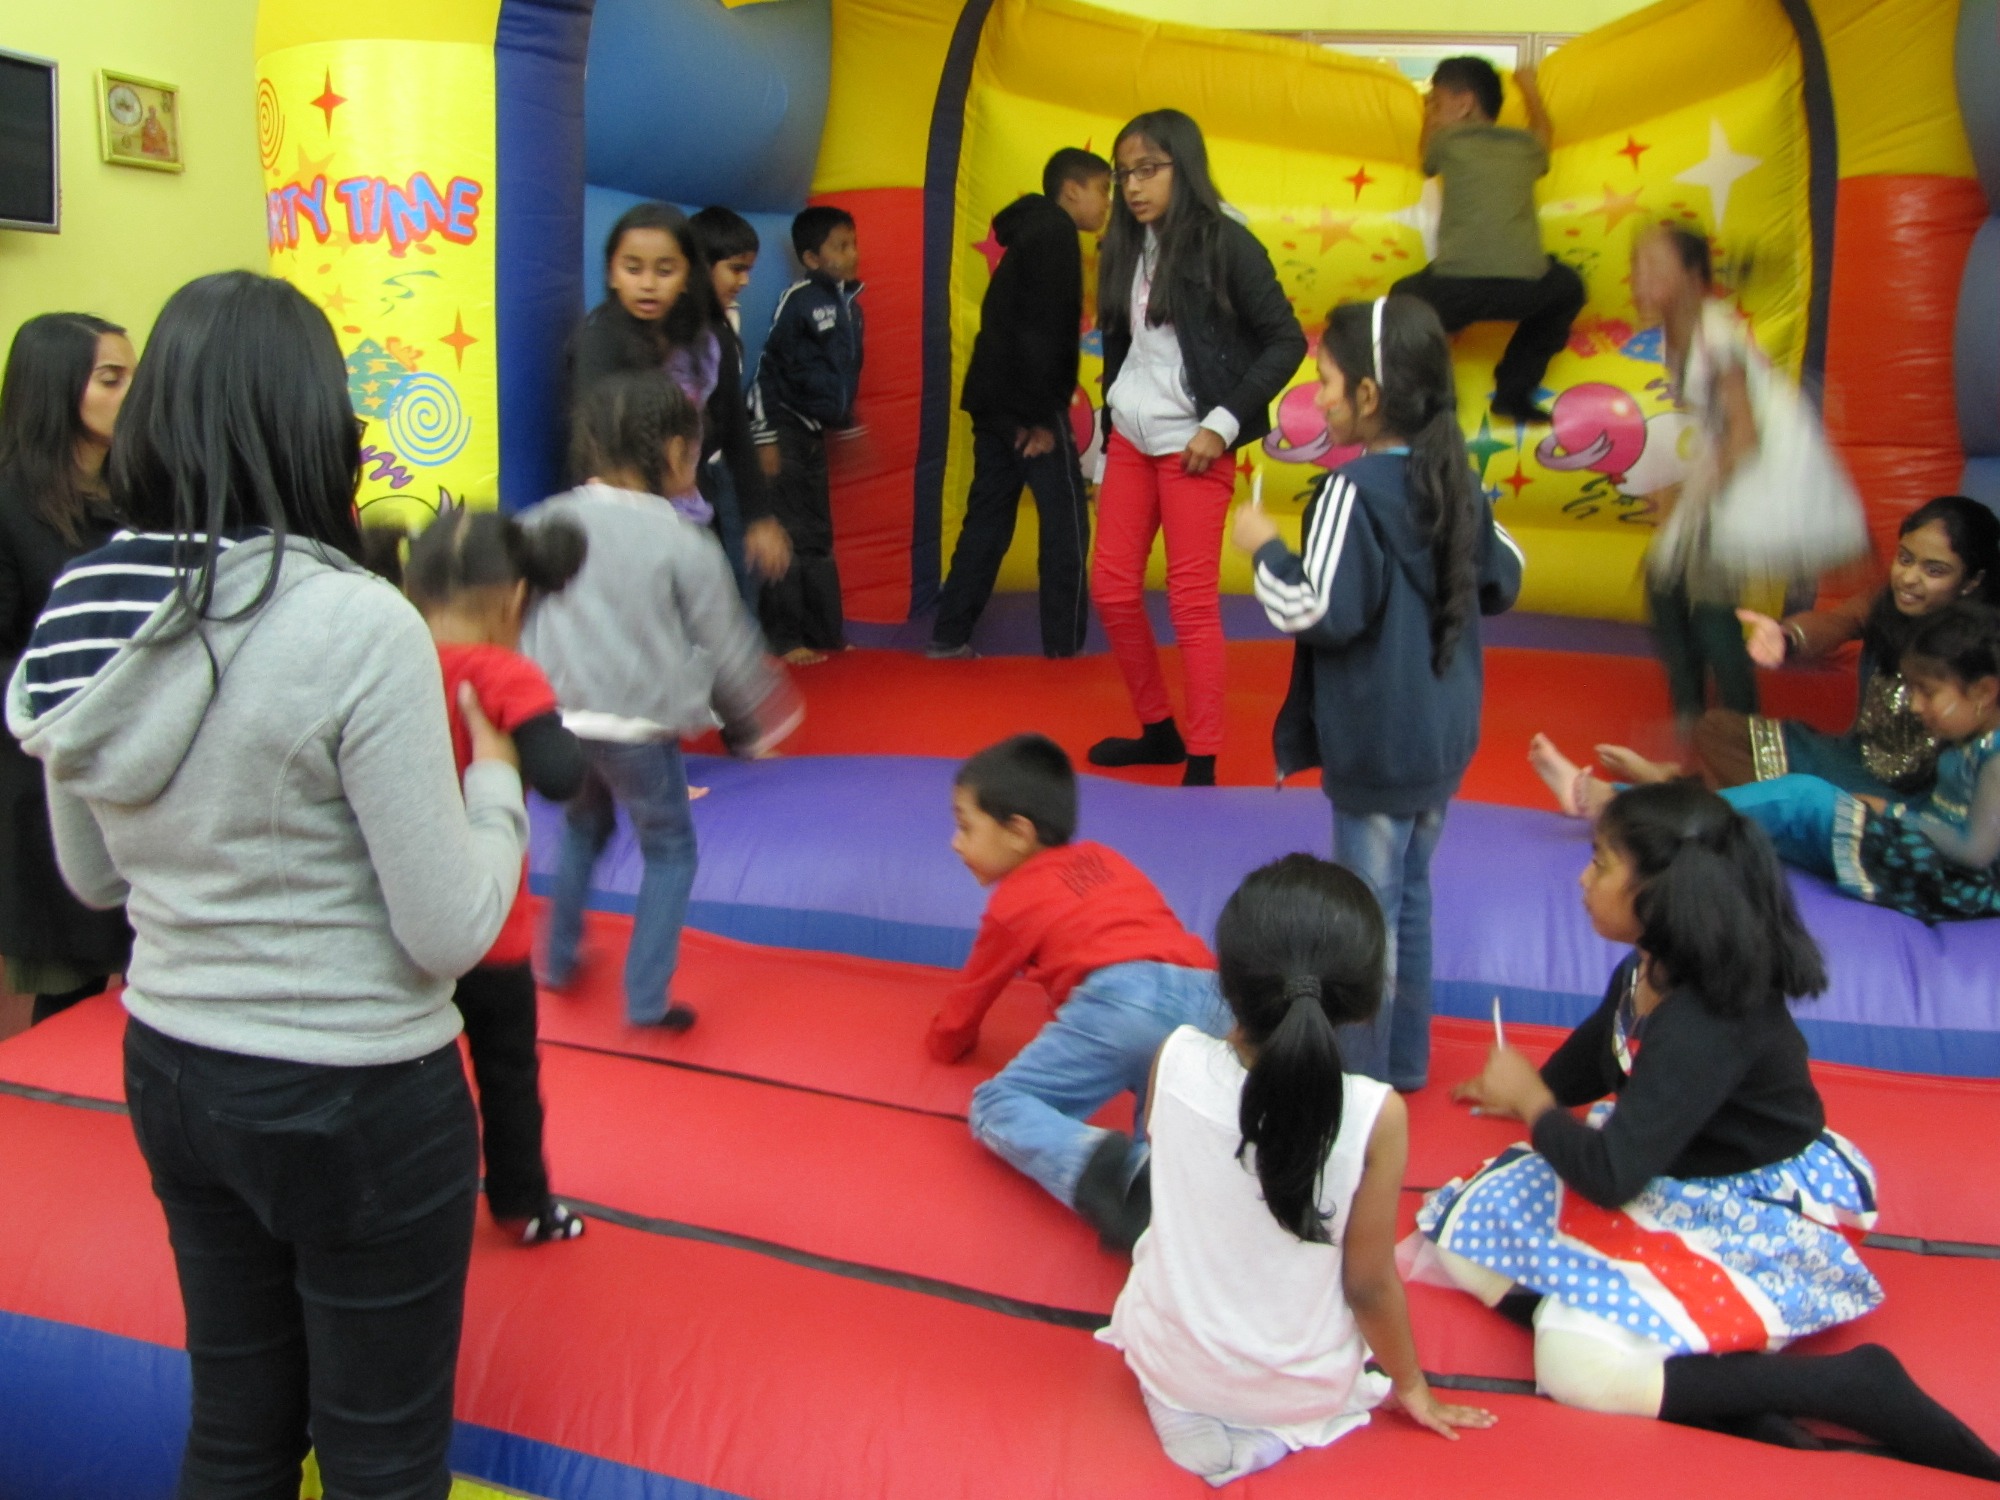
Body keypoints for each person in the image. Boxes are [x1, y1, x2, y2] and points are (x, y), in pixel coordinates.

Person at [6, 271, 528, 1496]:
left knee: (238, 1426)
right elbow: (447, 926)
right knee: (382, 1455)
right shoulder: (354, 620)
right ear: (312, 424)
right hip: (354, 1094)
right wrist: (496, 791)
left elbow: (89, 876)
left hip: (175, 1065)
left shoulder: (83, 601)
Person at [1419, 781, 2000, 1480]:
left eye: (1601, 863)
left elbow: (1611, 1177)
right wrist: (1536, 1086)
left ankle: (1844, 1384)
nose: (1582, 876)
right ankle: (1721, 1390)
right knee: (1458, 1231)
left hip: (1746, 1206)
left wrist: (1535, 1106)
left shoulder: (1708, 1018)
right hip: (1669, 1166)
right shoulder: (1656, 963)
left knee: (1575, 1370)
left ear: (1661, 894)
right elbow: (1605, 1043)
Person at [1099, 855, 1495, 1485]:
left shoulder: (1172, 1055)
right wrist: (1412, 1386)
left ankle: (1184, 1402)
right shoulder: (1374, 1115)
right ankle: (1263, 1433)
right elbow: (1368, 1285)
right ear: (1363, 1005)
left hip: (1171, 1357)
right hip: (1299, 1388)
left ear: (1225, 979)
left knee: (1163, 1291)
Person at [1234, 295, 1523, 1091]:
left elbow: (1316, 608)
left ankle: (1358, 1087)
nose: (1317, 397)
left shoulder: (1349, 492)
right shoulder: (1454, 476)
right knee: (1413, 899)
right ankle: (1405, 1065)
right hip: (1441, 738)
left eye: (1326, 381)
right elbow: (1507, 574)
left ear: (1368, 395)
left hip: (1378, 743)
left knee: (1365, 919)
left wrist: (1264, 549)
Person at [525, 369, 800, 1030]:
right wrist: (761, 721)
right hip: (638, 731)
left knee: (584, 826)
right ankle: (646, 999)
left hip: (559, 722)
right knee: (670, 850)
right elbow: (727, 644)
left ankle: (555, 960)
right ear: (675, 454)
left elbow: (519, 616)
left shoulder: (543, 521)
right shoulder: (682, 542)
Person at [926, 734, 1225, 1251]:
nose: (955, 843)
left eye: (965, 827)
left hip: (1122, 1001)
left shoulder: (1012, 902)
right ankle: (1159, 1180)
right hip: (1213, 996)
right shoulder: (1106, 858)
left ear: (1018, 832)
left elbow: (968, 1003)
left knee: (996, 1105)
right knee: (1160, 1133)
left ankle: (1099, 1169)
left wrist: (945, 1042)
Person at [1087, 109, 1305, 787]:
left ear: (1185, 165)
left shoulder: (1225, 244)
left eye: (1148, 169)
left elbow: (1286, 340)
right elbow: (1121, 348)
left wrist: (1224, 421)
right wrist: (1103, 436)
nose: (1133, 186)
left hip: (1196, 444)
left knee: (1190, 601)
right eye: (1124, 173)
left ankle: (1203, 756)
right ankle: (1158, 730)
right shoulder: (1123, 247)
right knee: (1113, 588)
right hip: (1130, 435)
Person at [399, 508, 593, 1245]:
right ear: (516, 600)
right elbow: (559, 773)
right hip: (490, 929)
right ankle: (522, 1201)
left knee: (412, 1074)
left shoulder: (388, 659)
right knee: (506, 1072)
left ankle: (416, 1201)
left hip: (402, 920)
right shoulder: (505, 673)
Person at [1543, 496, 2000, 803]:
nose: (1910, 578)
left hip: (1907, 796)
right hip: (1851, 759)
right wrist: (1786, 637)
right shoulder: (1889, 603)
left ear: (1973, 581)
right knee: (1719, 730)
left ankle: (1640, 795)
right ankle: (1671, 788)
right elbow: (1838, 621)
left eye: (1934, 570)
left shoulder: (1978, 650)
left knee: (1800, 804)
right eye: (1905, 559)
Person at [1632, 223, 1867, 731]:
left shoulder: (1716, 340)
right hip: (1728, 469)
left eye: (1654, 267)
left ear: (1694, 277)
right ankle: (1698, 715)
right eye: (1636, 267)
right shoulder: (1681, 332)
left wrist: (1697, 497)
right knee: (1666, 586)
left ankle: (1737, 725)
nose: (1639, 279)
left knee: (1704, 600)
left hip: (1758, 475)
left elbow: (1745, 434)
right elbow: (1711, 427)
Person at [0, 312, 135, 1025]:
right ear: (57, 390)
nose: (134, 394)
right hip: (48, 772)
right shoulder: (10, 503)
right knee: (71, 980)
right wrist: (68, 702)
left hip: (141, 763)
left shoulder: (142, 494)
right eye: (113, 379)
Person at [929, 148, 1110, 661]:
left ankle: (949, 634)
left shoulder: (1030, 232)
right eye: (1104, 191)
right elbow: (1043, 328)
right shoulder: (1054, 232)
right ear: (1071, 191)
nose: (1108, 204)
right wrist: (1039, 418)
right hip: (1029, 403)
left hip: (994, 398)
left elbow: (1010, 322)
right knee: (1067, 523)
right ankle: (1062, 650)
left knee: (989, 515)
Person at [571, 201, 789, 596]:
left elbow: (735, 430)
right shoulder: (600, 340)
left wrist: (759, 517)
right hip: (620, 519)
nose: (648, 284)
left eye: (665, 270)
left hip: (690, 508)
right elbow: (590, 442)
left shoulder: (709, 342)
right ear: (612, 274)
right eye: (633, 269)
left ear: (689, 275)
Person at [1392, 57, 1583, 427]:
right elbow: (1545, 132)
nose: (1431, 108)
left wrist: (1428, 119)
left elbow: (1425, 161)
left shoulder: (1446, 140)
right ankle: (1515, 391)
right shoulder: (1525, 145)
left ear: (1463, 105)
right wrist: (1529, 89)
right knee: (1569, 287)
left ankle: (1434, 398)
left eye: (1435, 100)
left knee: (1403, 295)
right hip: (1524, 288)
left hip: (1456, 289)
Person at [754, 204, 863, 664]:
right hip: (783, 426)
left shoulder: (851, 303)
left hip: (815, 430)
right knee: (791, 533)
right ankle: (785, 637)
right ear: (812, 258)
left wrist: (847, 420)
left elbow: (836, 373)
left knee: (818, 534)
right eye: (840, 246)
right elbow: (768, 367)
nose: (853, 254)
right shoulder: (799, 300)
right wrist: (765, 437)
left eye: (853, 243)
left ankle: (825, 634)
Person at [690, 204, 766, 606]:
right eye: (736, 269)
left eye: (748, 269)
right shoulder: (678, 334)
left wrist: (759, 514)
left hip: (711, 475)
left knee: (734, 590)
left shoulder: (720, 331)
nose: (745, 281)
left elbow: (734, 423)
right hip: (680, 483)